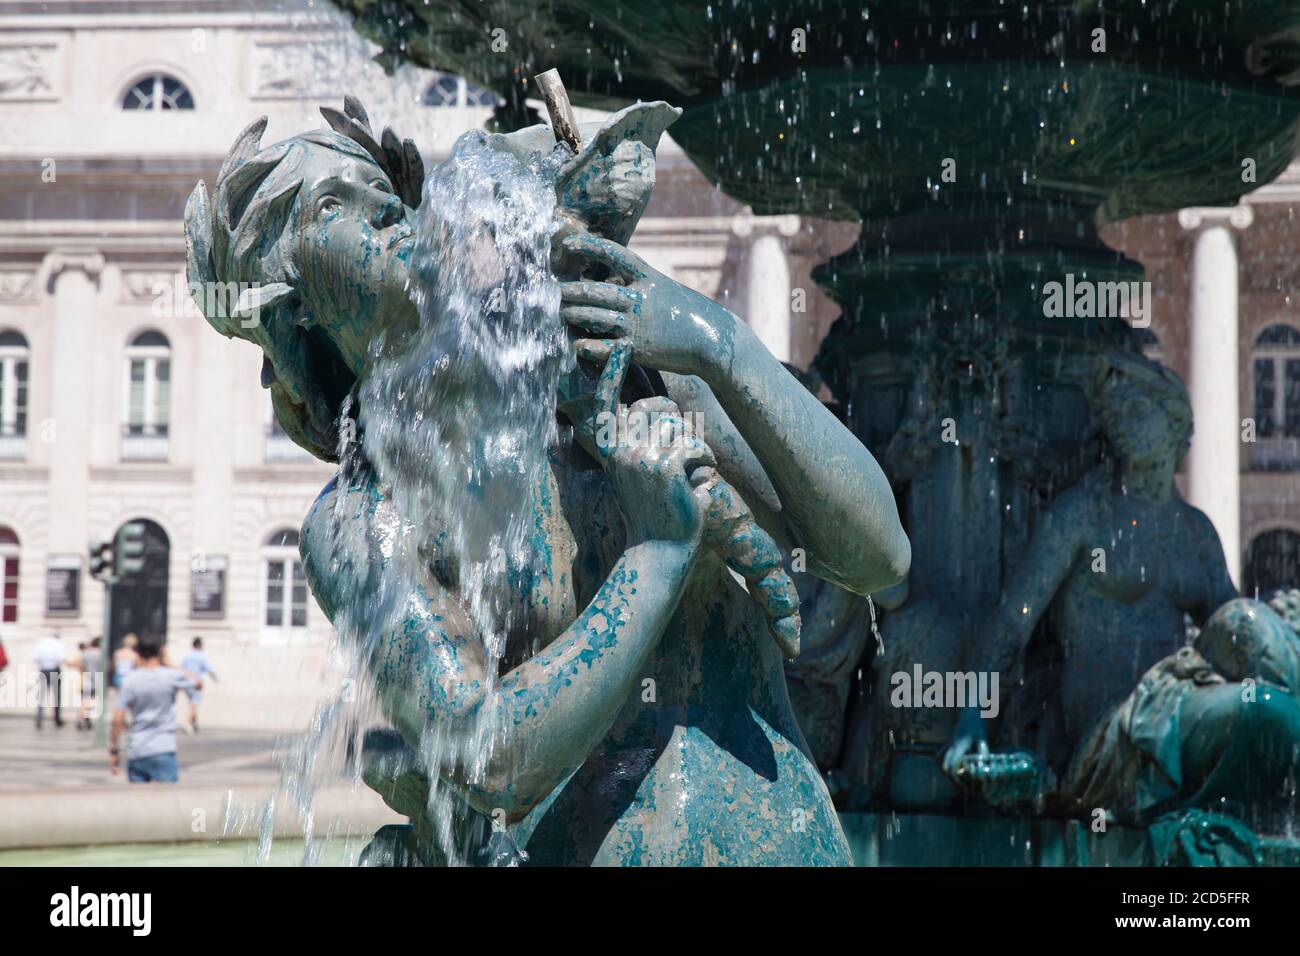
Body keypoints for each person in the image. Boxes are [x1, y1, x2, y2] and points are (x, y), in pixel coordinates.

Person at [186, 102, 909, 864]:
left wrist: (718, 344)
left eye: (378, 188)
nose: (384, 208)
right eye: (333, 205)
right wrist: (656, 556)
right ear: (293, 306)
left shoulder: (618, 359)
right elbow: (486, 760)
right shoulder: (358, 521)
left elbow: (880, 560)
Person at [110, 634, 201, 783]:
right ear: (160, 652)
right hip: (163, 748)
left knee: (139, 803)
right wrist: (170, 664)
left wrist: (114, 750)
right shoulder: (170, 676)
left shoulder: (129, 681)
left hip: (136, 750)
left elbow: (117, 719)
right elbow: (197, 683)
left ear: (138, 653)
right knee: (168, 802)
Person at [178, 637, 216, 733]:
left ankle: (194, 724)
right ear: (200, 645)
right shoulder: (201, 656)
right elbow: (209, 669)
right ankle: (187, 723)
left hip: (186, 682)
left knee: (192, 703)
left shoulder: (187, 656)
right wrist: (216, 679)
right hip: (196, 683)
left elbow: (181, 668)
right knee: (194, 705)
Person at [32, 629, 67, 729]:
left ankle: (39, 718)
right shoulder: (59, 643)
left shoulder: (42, 643)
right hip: (54, 669)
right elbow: (61, 658)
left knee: (42, 695)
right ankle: (57, 718)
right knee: (56, 696)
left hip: (43, 669)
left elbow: (35, 658)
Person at [78, 637, 103, 730]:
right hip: (97, 680)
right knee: (90, 702)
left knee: (86, 701)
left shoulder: (86, 653)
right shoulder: (101, 654)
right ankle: (83, 719)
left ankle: (84, 719)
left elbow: (81, 667)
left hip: (87, 680)